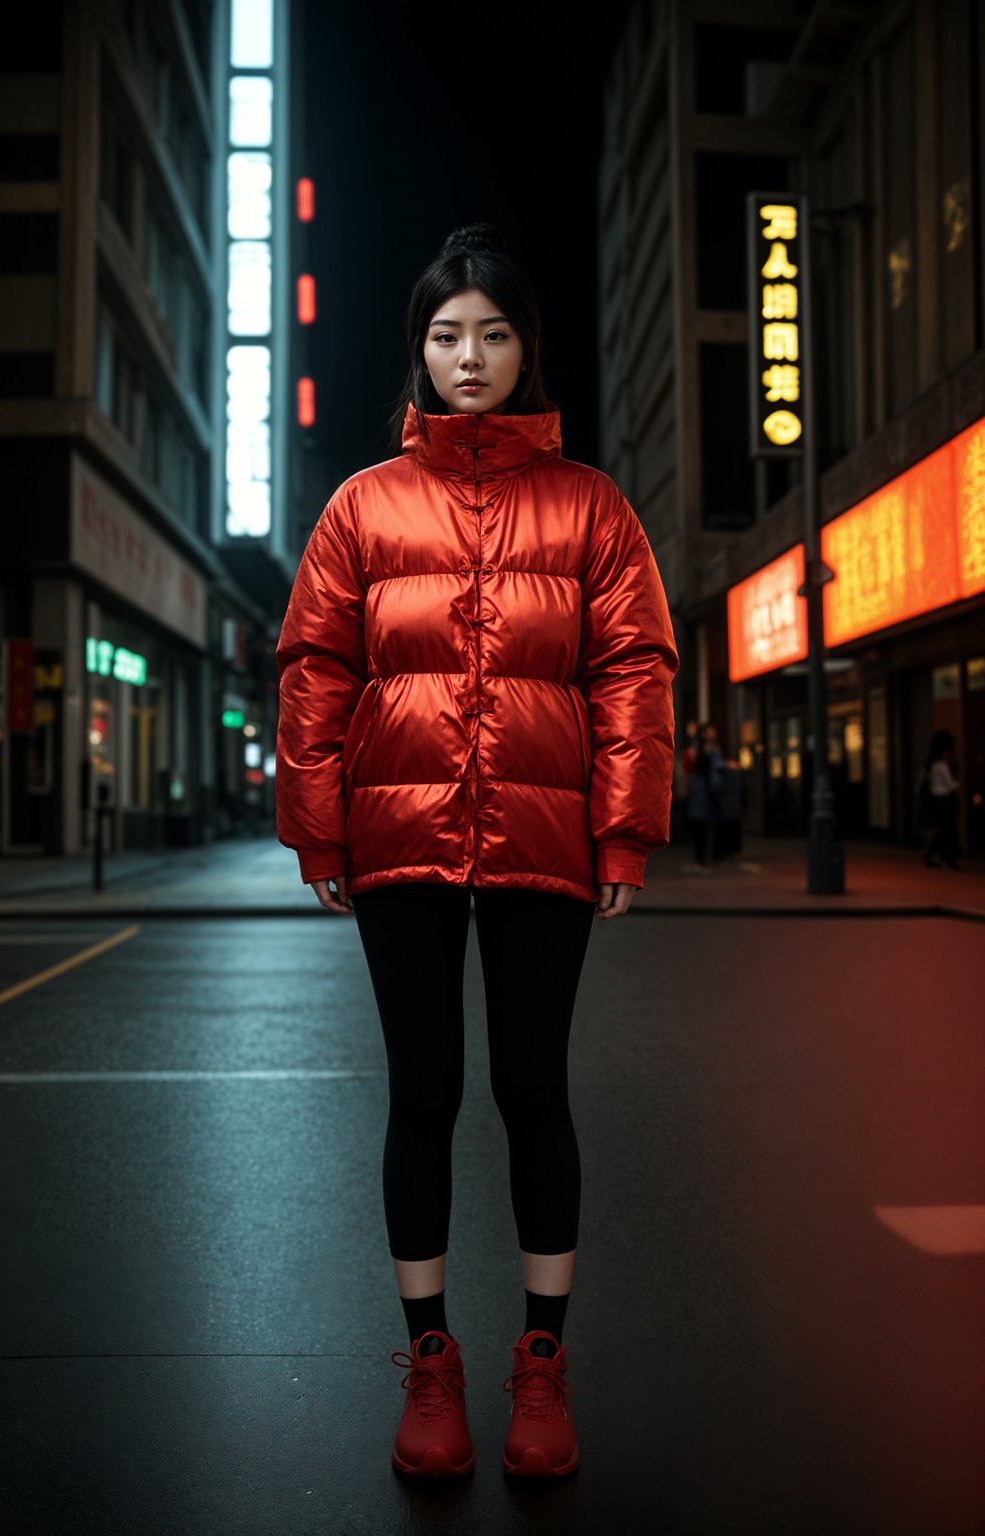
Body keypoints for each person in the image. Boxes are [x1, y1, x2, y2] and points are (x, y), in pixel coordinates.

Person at [275, 223, 679, 1480]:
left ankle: (541, 1370)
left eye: (492, 334)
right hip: (396, 838)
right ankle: (433, 1365)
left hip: (542, 837)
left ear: (525, 352)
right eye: (446, 335)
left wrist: (622, 829)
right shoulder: (361, 505)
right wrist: (318, 825)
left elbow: (633, 671)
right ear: (418, 353)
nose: (469, 356)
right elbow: (316, 667)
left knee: (533, 1090)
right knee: (422, 1096)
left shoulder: (592, 506)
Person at [683, 721, 724, 871]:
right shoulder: (708, 750)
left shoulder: (704, 749)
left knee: (704, 824)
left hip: (702, 790)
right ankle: (704, 857)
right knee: (704, 825)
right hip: (705, 790)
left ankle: (704, 857)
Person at [921, 728, 962, 869]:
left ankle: (934, 855)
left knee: (941, 831)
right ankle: (946, 858)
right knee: (948, 831)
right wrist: (960, 783)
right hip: (945, 800)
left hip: (935, 801)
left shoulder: (930, 765)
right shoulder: (942, 765)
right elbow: (950, 785)